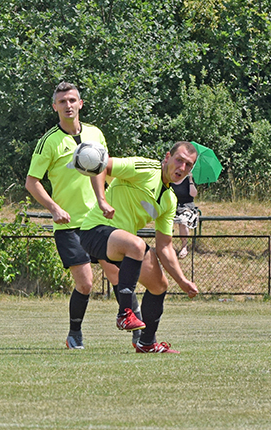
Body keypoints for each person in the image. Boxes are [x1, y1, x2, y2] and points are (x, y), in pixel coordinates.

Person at [25, 82, 134, 350]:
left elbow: (103, 170)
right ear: (55, 107)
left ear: (80, 104)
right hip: (69, 226)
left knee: (119, 275)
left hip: (97, 220)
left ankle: (137, 329)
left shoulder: (96, 134)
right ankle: (74, 334)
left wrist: (106, 199)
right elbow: (32, 182)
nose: (68, 105)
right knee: (85, 284)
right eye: (62, 102)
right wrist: (54, 208)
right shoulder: (48, 141)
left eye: (72, 100)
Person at [79, 141, 199, 353]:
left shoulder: (170, 200)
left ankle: (147, 343)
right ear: (167, 157)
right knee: (136, 244)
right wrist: (101, 200)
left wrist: (182, 280)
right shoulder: (145, 168)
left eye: (188, 165)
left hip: (125, 246)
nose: (182, 168)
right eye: (179, 160)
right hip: (94, 231)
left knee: (159, 285)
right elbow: (101, 166)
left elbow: (165, 247)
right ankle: (125, 314)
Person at [170, 173, 198, 259]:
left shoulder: (188, 180)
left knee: (183, 221)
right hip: (172, 206)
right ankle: (168, 246)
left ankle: (184, 247)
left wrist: (190, 180)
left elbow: (194, 194)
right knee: (166, 221)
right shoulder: (170, 180)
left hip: (187, 206)